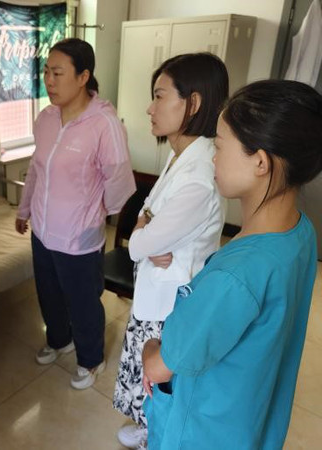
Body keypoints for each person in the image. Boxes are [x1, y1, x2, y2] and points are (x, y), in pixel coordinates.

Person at [141, 79, 322, 449]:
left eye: (220, 146)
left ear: (260, 162)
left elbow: (159, 367)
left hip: (201, 434)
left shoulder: (233, 276)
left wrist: (150, 347)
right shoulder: (301, 234)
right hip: (251, 423)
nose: (213, 158)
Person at [113, 53, 228, 448]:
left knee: (161, 381)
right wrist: (147, 228)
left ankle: (156, 436)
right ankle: (148, 429)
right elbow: (145, 216)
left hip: (171, 304)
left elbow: (138, 244)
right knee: (147, 378)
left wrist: (144, 236)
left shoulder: (199, 175)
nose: (150, 107)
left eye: (160, 96)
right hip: (156, 290)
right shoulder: (182, 155)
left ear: (192, 103)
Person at [15, 38, 136, 390]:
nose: (48, 81)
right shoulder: (46, 119)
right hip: (43, 229)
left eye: (57, 73)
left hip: (79, 235)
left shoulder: (104, 124)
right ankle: (59, 340)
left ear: (83, 77)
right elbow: (36, 169)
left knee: (83, 301)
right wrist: (25, 208)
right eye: (46, 72)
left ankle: (91, 359)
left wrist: (96, 212)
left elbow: (119, 179)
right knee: (48, 292)